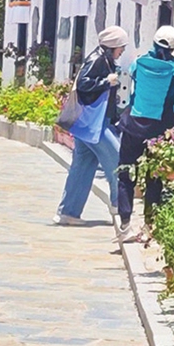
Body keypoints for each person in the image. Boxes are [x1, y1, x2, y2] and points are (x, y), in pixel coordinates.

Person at [116, 16, 174, 239]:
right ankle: (150, 225)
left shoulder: (139, 63)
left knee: (126, 171)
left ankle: (125, 221)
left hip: (134, 126)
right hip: (161, 129)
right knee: (154, 176)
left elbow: (133, 73)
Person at [54, 28, 126, 227]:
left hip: (86, 125)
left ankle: (68, 212)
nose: (122, 51)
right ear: (113, 45)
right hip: (95, 124)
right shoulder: (98, 59)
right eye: (122, 46)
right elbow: (85, 83)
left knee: (82, 168)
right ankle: (119, 206)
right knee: (118, 161)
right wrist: (107, 81)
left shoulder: (103, 59)